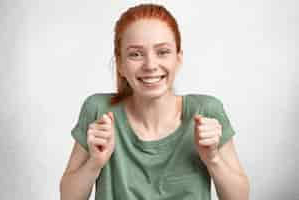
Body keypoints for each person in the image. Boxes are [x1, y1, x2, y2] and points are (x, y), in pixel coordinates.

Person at [59, 3, 250, 200]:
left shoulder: (206, 111)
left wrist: (213, 159)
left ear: (178, 58)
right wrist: (95, 162)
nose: (150, 65)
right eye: (135, 54)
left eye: (162, 52)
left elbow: (240, 197)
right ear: (120, 64)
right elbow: (68, 197)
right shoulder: (98, 110)